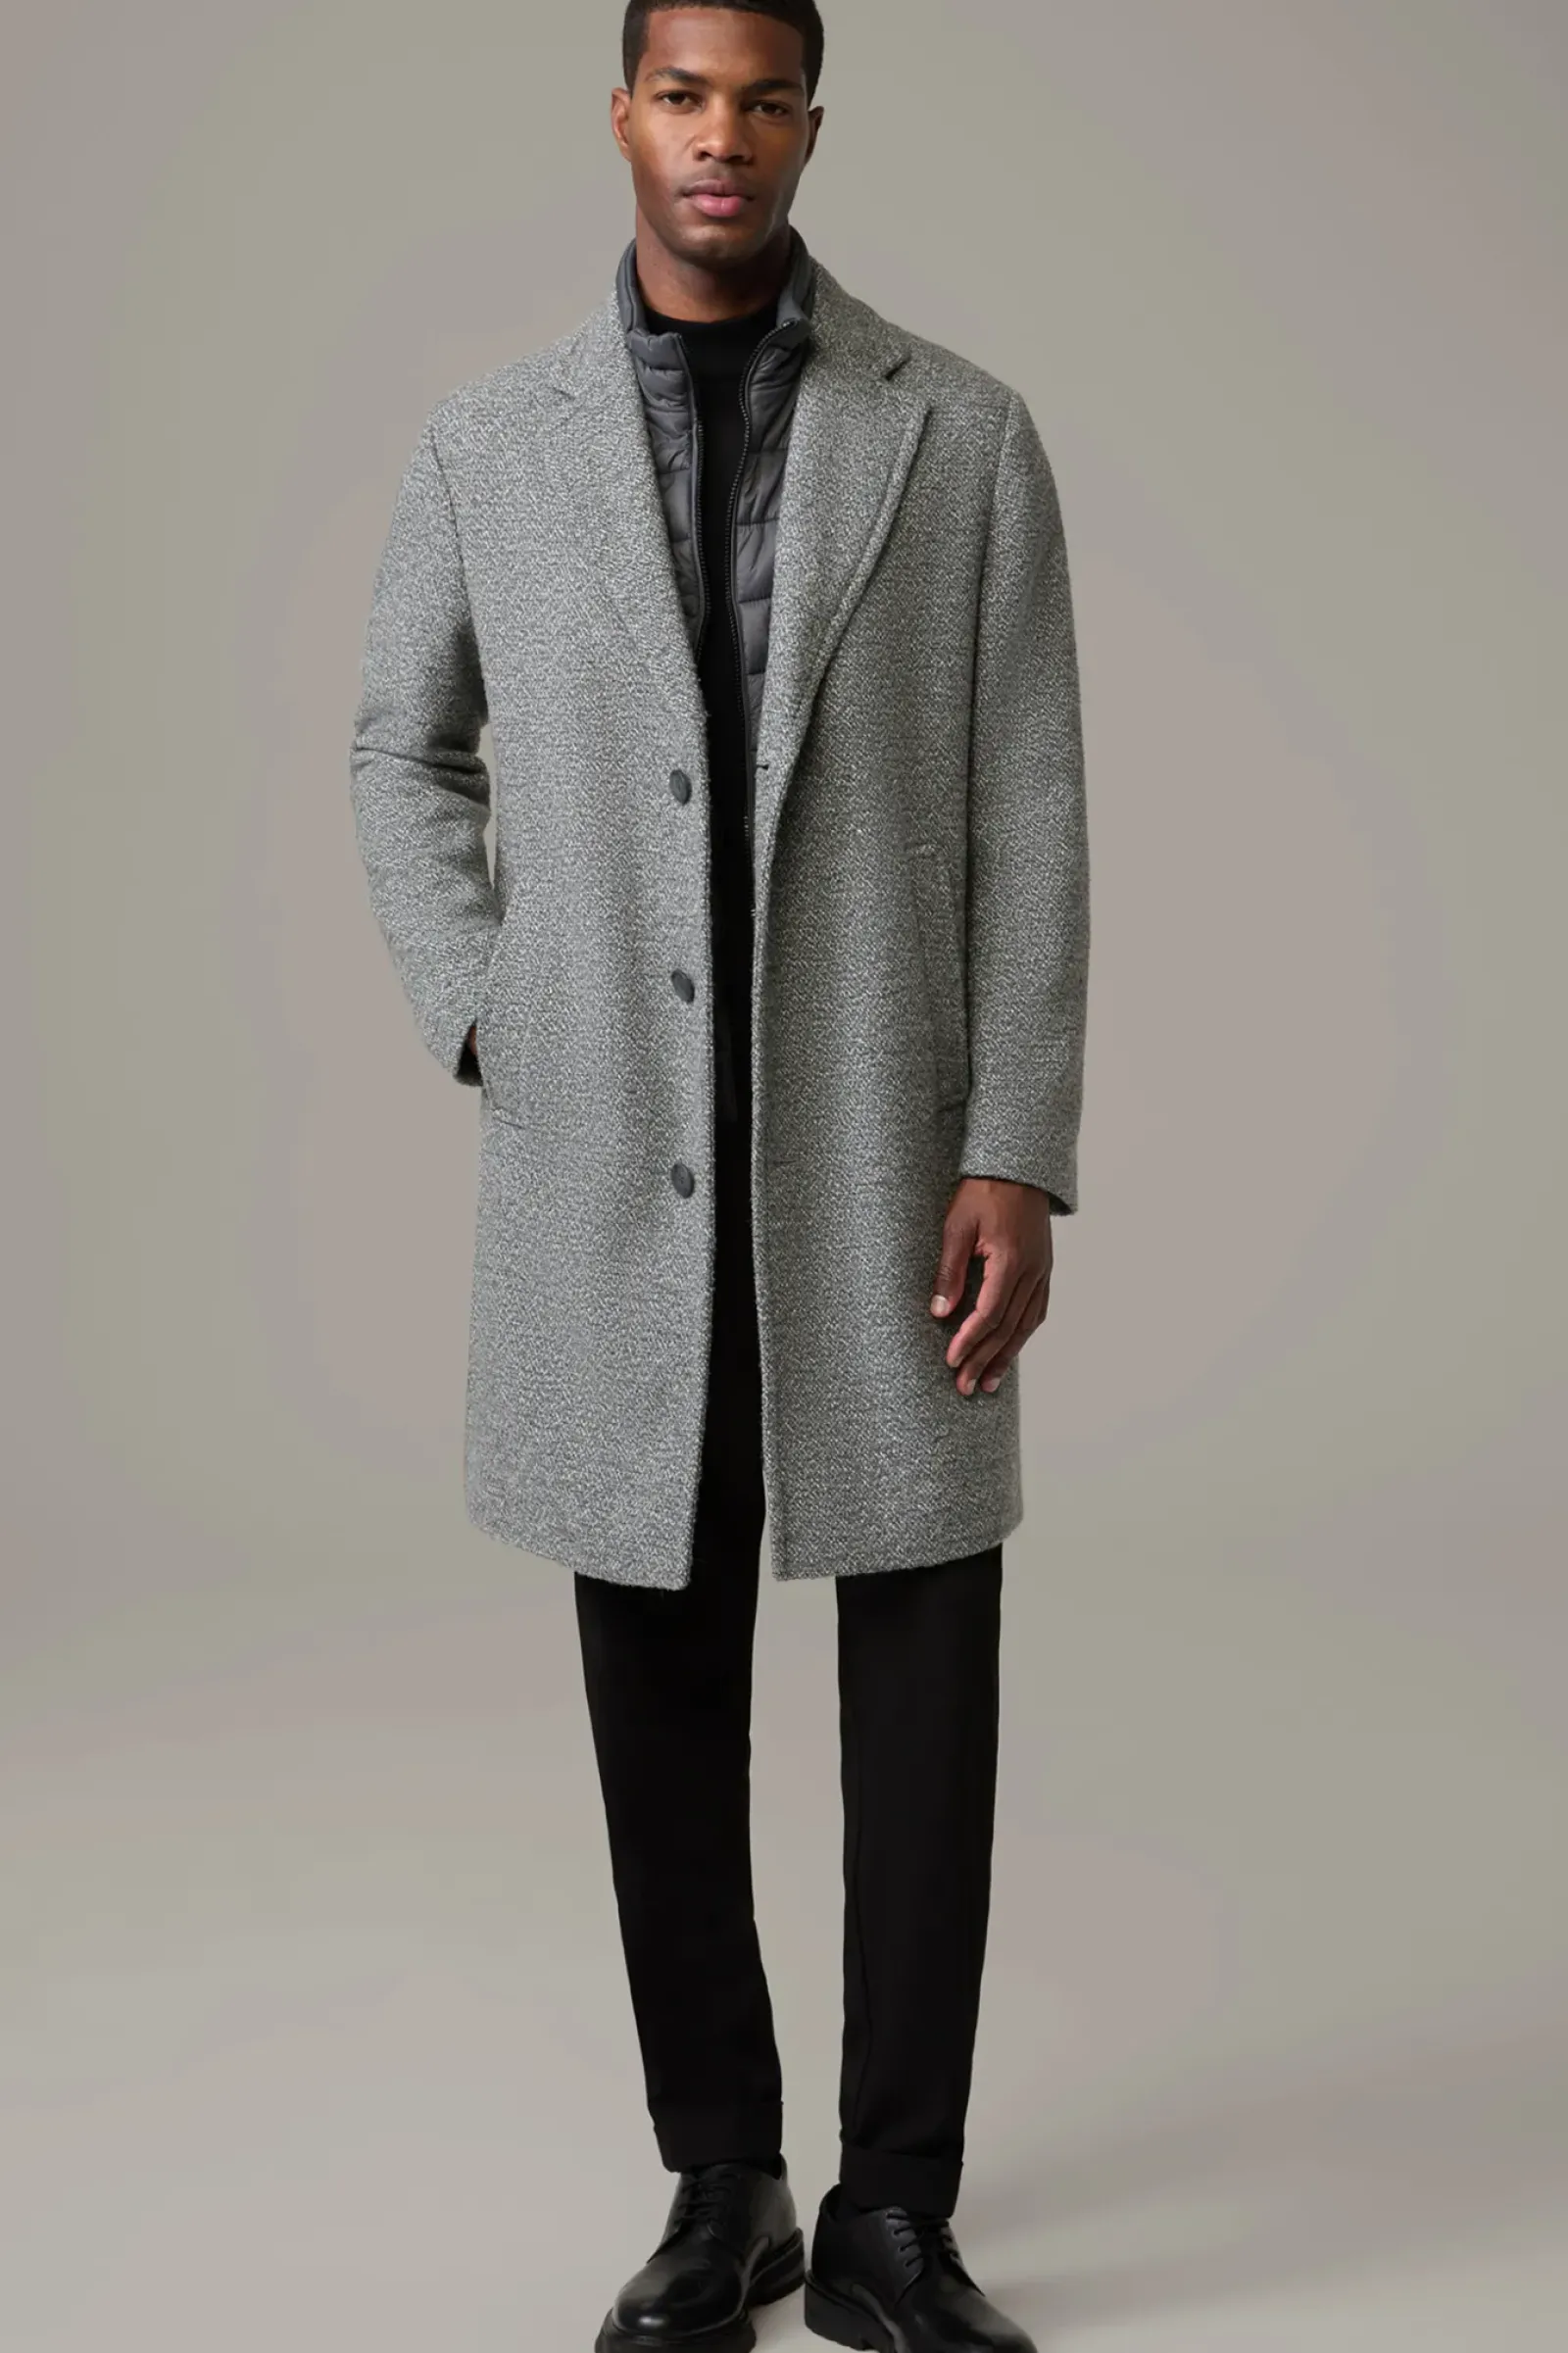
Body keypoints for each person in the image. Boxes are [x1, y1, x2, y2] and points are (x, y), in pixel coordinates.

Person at [348, 5, 1089, 2346]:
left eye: (763, 99)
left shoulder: (956, 435)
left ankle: (891, 2214)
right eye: (683, 94)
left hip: (880, 1149)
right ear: (622, 117)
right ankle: (720, 2182)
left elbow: (1031, 810)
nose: (721, 137)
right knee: (656, 1685)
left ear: (806, 128)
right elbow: (400, 747)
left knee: (923, 1677)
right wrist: (488, 1005)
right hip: (610, 1165)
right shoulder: (492, 444)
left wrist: (1013, 1145)